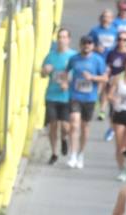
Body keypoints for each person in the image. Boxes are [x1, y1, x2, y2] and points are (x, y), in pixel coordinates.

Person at [69, 35, 112, 167]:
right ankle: (72, 154)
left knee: (84, 127)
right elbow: (66, 72)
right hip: (75, 96)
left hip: (90, 98)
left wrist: (92, 78)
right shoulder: (74, 59)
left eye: (89, 43)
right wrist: (66, 81)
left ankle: (81, 154)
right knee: (74, 124)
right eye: (84, 43)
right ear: (80, 45)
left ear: (93, 46)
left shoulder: (98, 60)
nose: (87, 45)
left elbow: (105, 78)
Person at [44, 29, 77, 164]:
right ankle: (54, 153)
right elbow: (43, 73)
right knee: (52, 125)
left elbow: (78, 75)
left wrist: (67, 84)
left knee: (65, 126)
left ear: (69, 39)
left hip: (66, 96)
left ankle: (64, 138)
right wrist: (45, 70)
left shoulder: (73, 56)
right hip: (51, 95)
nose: (61, 40)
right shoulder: (51, 55)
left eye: (64, 37)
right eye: (59, 37)